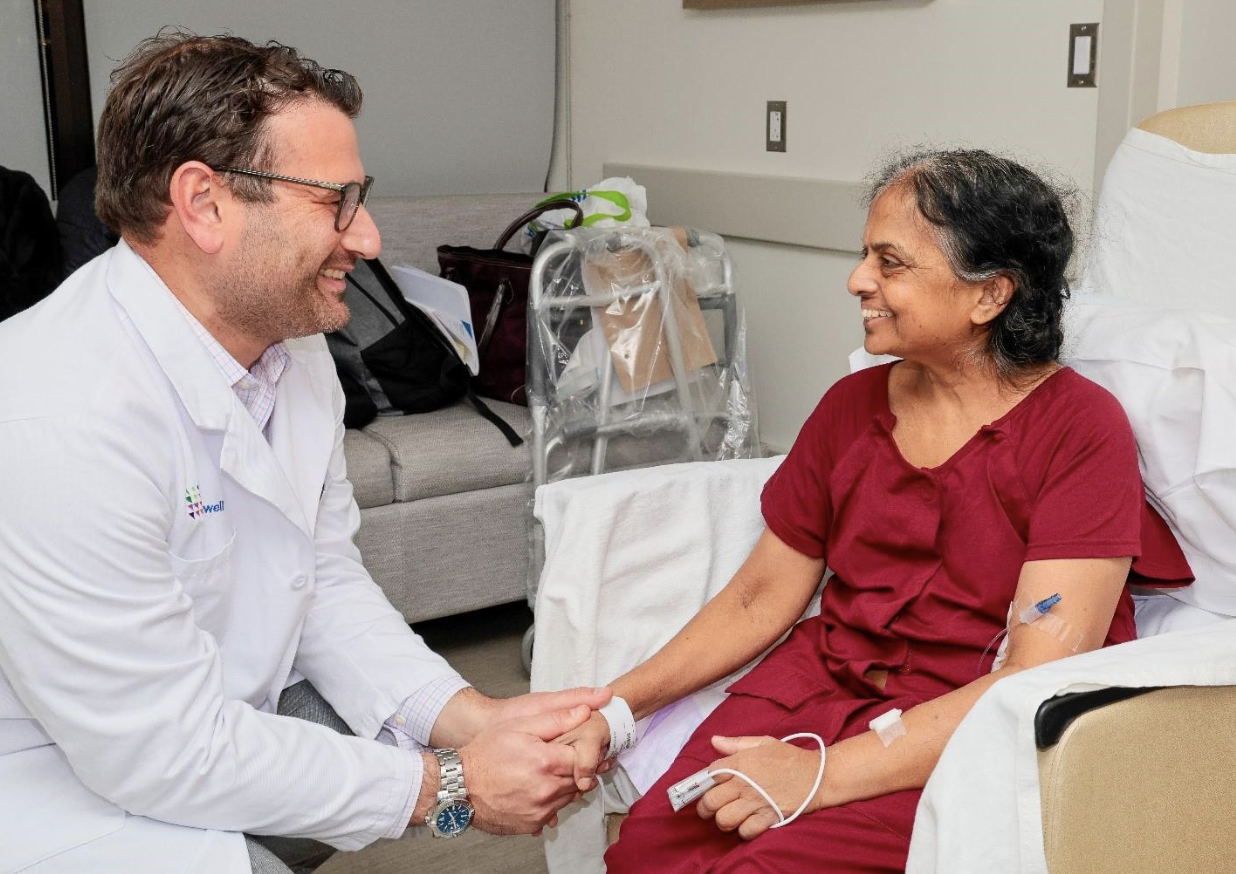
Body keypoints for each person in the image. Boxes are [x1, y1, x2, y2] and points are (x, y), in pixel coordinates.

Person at [0, 33, 608, 874]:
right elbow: (159, 753)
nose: (366, 239)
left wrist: (472, 719)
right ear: (204, 203)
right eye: (337, 202)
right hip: (56, 794)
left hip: (195, 725)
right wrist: (452, 787)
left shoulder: (293, 353)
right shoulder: (53, 415)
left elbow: (317, 573)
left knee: (352, 730)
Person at [558, 150, 1193, 873]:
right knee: (645, 852)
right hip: (817, 689)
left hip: (959, 727)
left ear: (990, 296)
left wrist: (817, 778)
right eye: (866, 257)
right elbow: (759, 596)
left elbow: (1031, 672)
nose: (858, 280)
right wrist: (613, 711)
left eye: (890, 264)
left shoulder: (1080, 430)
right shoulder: (850, 408)